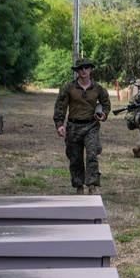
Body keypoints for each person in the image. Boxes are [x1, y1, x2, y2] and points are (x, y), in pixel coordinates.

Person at [53, 56, 111, 195]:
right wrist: (59, 124)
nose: (84, 70)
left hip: (91, 126)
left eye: (86, 67)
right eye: (81, 68)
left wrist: (103, 114)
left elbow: (106, 104)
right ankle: (79, 186)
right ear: (77, 71)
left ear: (91, 69)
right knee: (75, 158)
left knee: (92, 155)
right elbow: (60, 107)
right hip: (73, 127)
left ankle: (92, 185)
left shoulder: (98, 88)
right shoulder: (68, 88)